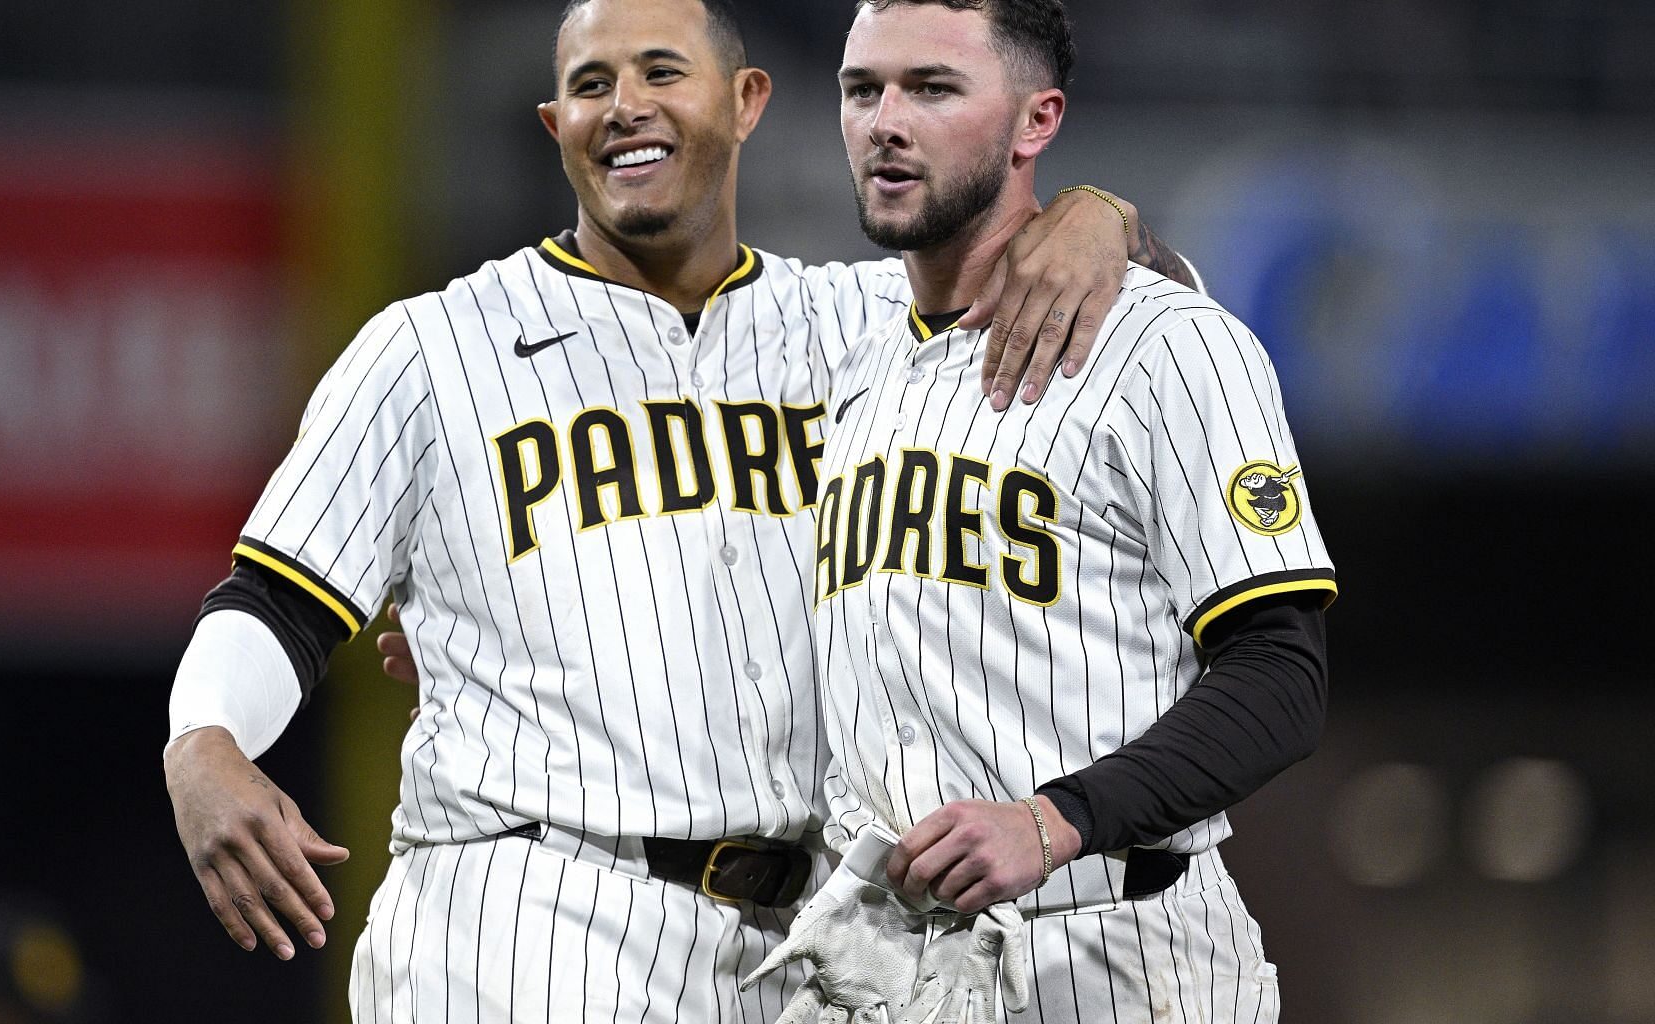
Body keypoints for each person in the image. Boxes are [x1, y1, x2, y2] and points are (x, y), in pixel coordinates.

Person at [162, 0, 1207, 1020]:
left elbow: (1151, 321)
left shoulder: (867, 323)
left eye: (662, 71)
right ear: (554, 127)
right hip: (532, 907)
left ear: (747, 101)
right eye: (589, 85)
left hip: (811, 945)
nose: (625, 105)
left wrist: (1102, 217)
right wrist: (202, 741)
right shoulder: (434, 348)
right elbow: (279, 598)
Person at [782, 1, 1337, 1020]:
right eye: (863, 90)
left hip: (1119, 950)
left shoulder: (1170, 342)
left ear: (1036, 122)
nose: (884, 122)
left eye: (933, 88)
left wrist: (1055, 820)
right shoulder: (840, 343)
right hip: (883, 969)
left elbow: (1281, 678)